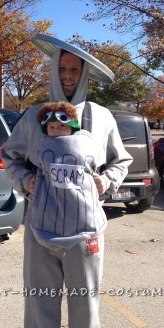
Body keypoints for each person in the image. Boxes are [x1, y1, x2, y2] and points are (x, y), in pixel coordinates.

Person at [1, 34, 133, 328]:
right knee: (40, 310)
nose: (68, 74)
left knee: (84, 309)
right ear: (53, 71)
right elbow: (10, 155)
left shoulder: (101, 117)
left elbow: (120, 161)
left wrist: (105, 182)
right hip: (41, 231)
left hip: (86, 234)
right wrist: (26, 181)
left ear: (85, 73)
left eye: (74, 69)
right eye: (62, 68)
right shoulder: (34, 117)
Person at [31, 101, 107, 251]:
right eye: (51, 127)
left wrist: (105, 180)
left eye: (62, 126)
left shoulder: (85, 142)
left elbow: (94, 164)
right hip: (49, 212)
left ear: (72, 127)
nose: (56, 130)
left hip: (83, 215)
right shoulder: (44, 144)